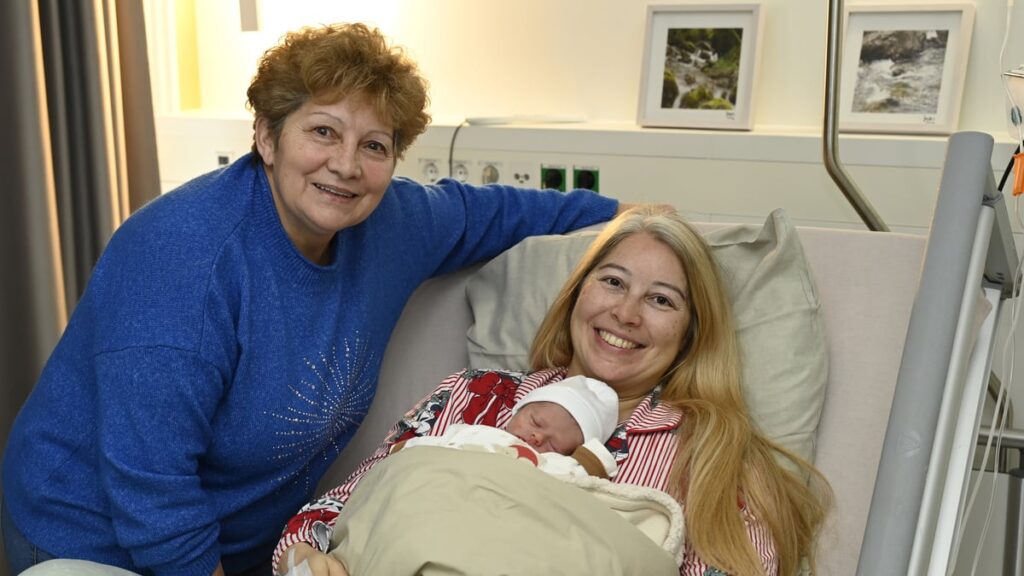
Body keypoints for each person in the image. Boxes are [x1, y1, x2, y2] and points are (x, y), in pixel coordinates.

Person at [1, 23, 626, 576]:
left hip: (246, 545)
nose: (347, 165)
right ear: (267, 139)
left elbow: (495, 211)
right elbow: (151, 490)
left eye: (374, 146)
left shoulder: (395, 222)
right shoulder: (183, 261)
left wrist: (633, 221)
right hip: (93, 540)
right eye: (322, 131)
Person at [273, 206, 833, 576]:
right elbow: (332, 514)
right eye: (612, 281)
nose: (626, 312)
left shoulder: (719, 457)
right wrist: (307, 559)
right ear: (575, 297)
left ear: (691, 335)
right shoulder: (474, 397)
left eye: (662, 300)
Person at [396, 374, 621, 478]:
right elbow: (439, 445)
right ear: (518, 411)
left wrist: (588, 462)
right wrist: (407, 449)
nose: (537, 438)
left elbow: (584, 475)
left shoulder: (550, 466)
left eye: (555, 444)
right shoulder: (478, 433)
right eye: (536, 422)